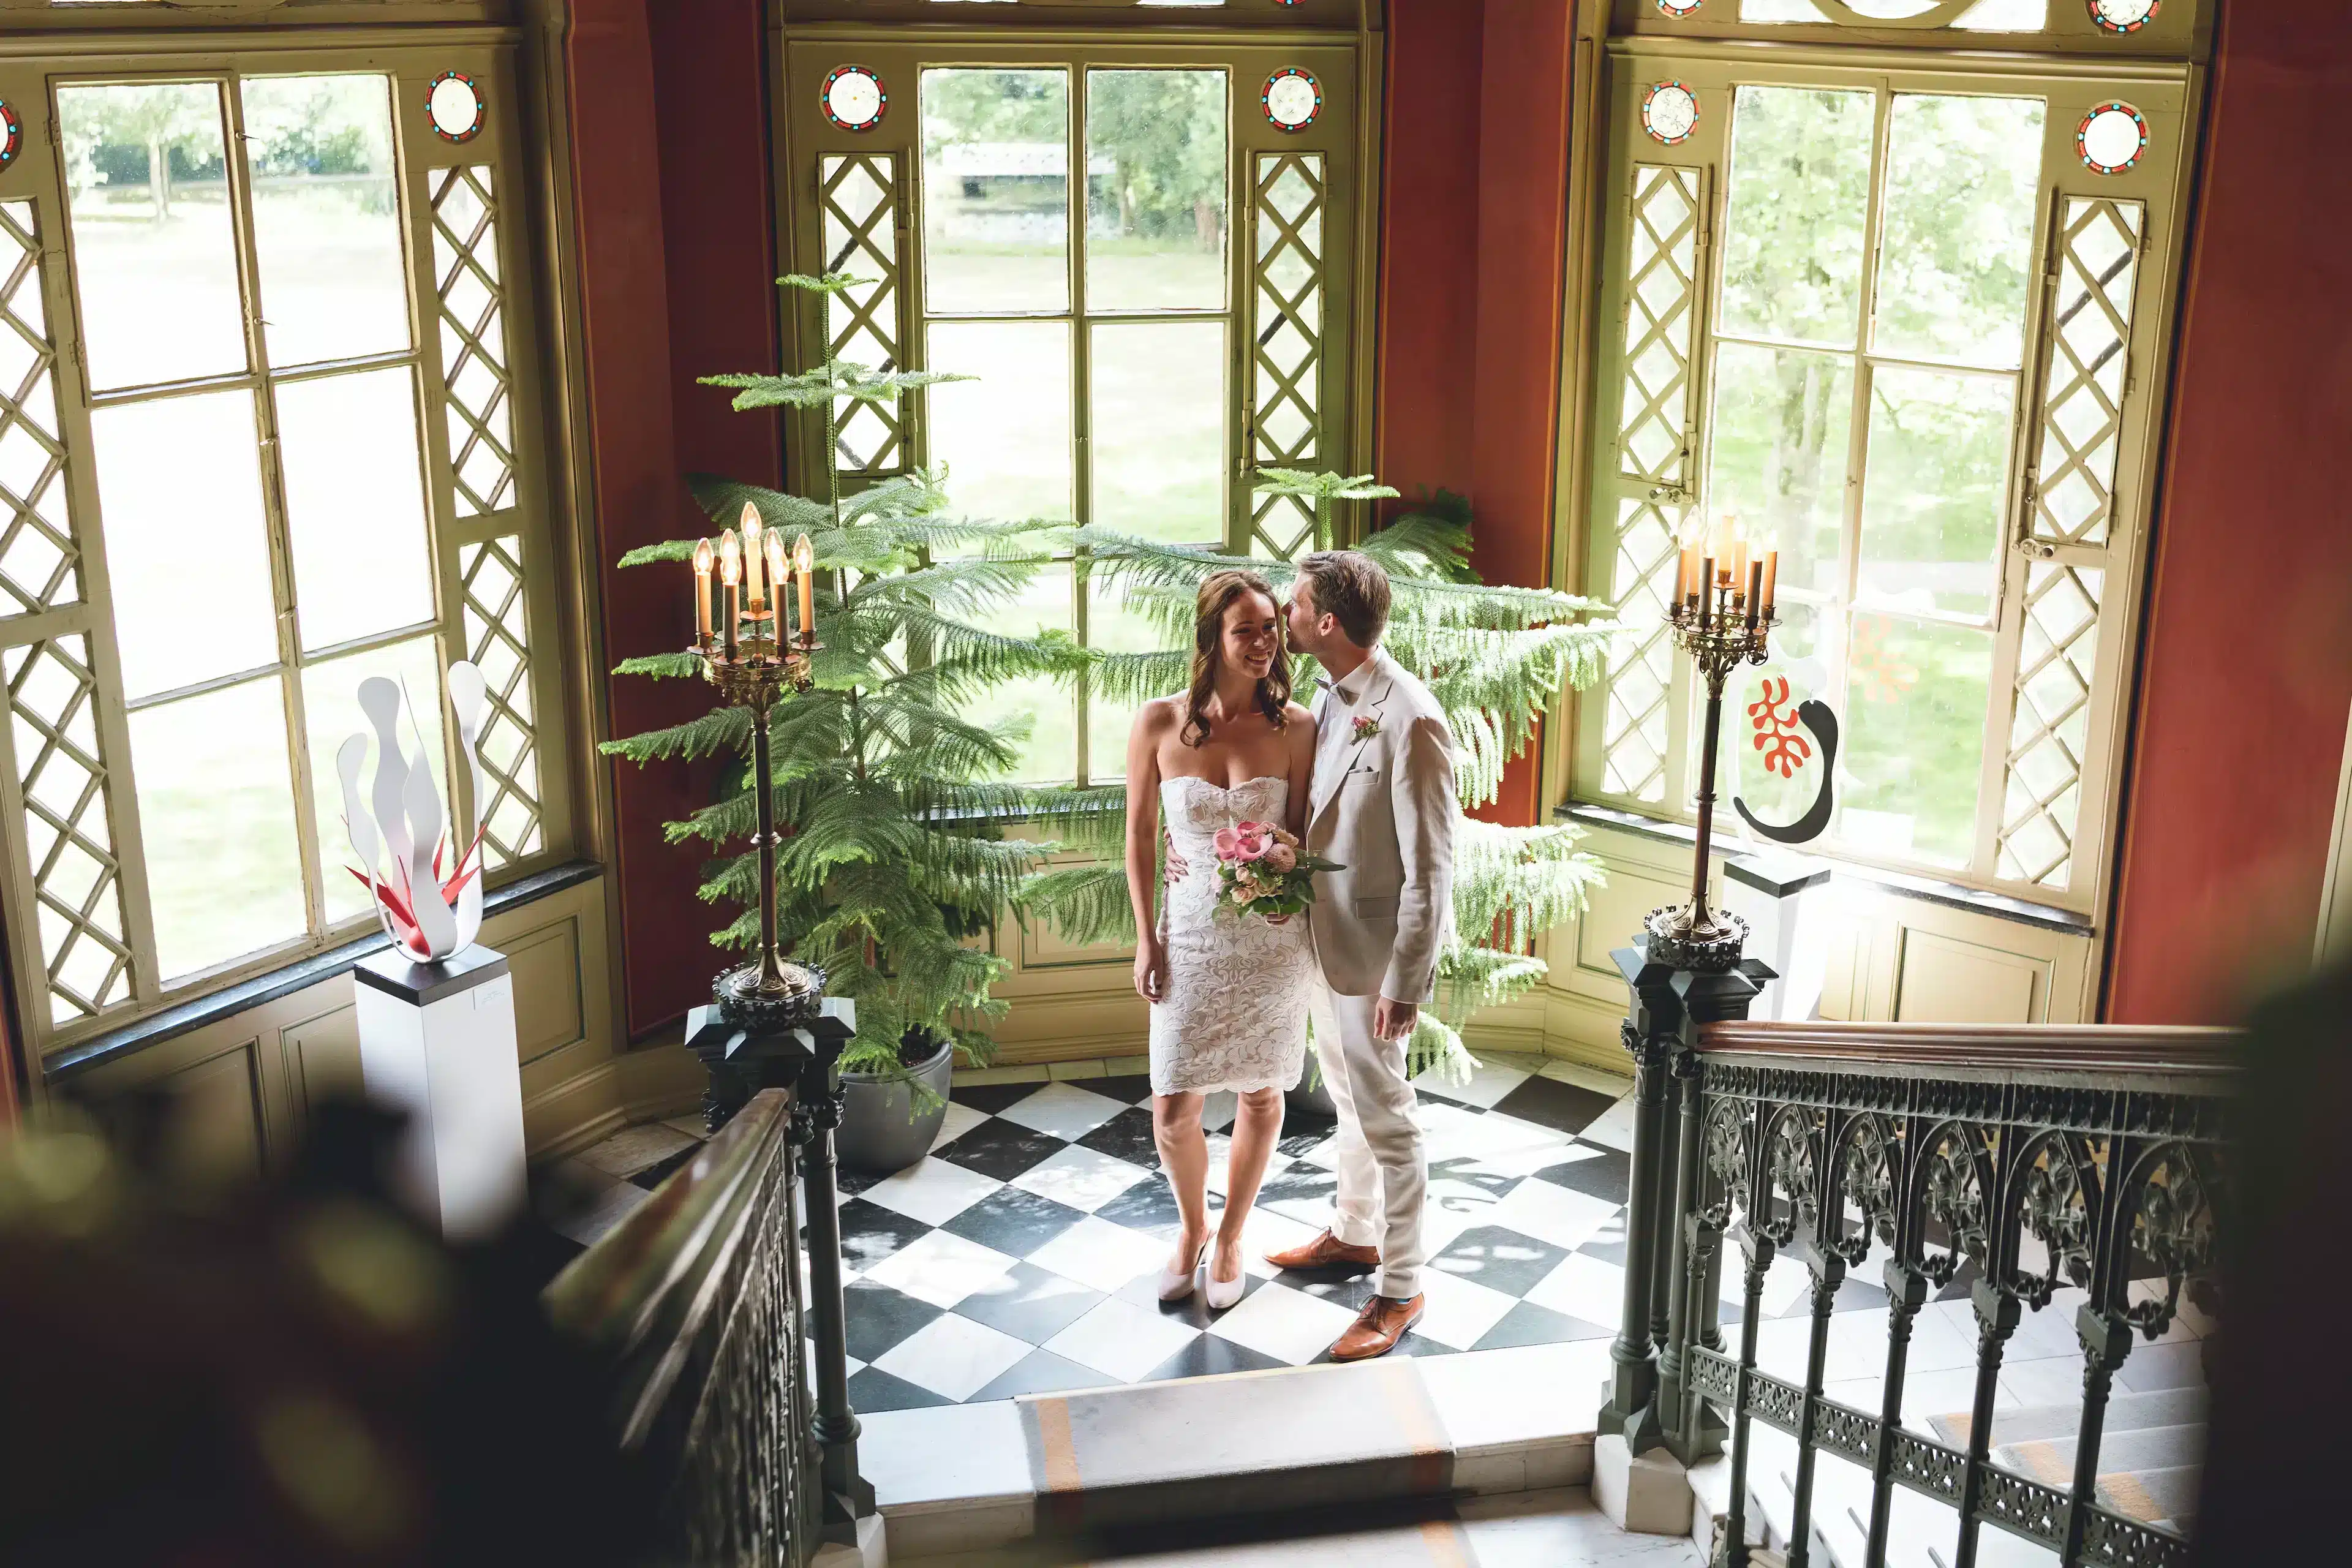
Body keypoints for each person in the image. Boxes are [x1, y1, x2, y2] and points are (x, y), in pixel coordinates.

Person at [1253, 550, 1457, 1362]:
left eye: (1296, 606)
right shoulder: (1329, 695)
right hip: (1325, 943)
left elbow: (1432, 866)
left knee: (1388, 1118)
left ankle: (1401, 1287)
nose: (1286, 616)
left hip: (1376, 960)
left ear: (1328, 622)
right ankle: (1354, 1231)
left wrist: (1406, 981)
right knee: (1348, 1101)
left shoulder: (1411, 717)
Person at [1125, 569, 1319, 1311]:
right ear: (1213, 636)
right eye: (1246, 631)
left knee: (1262, 1094)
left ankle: (1233, 1235)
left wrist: (1282, 867)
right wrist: (1146, 939)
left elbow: (1302, 837)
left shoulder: (1298, 726)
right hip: (1189, 936)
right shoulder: (1158, 722)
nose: (1264, 643)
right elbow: (1140, 838)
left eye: (1271, 628)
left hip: (1272, 938)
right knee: (1173, 1108)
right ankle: (1191, 1228)